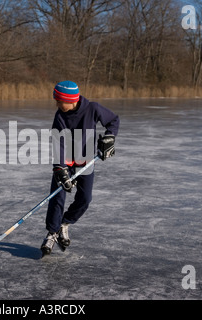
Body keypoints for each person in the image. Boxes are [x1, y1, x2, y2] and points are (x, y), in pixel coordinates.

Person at [41, 80, 120, 256]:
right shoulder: (60, 116)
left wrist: (109, 137)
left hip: (85, 160)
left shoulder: (93, 108)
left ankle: (65, 222)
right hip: (65, 161)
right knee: (57, 197)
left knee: (85, 198)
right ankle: (52, 233)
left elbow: (113, 121)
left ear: (71, 100)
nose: (57, 104)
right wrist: (60, 168)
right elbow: (58, 143)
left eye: (59, 101)